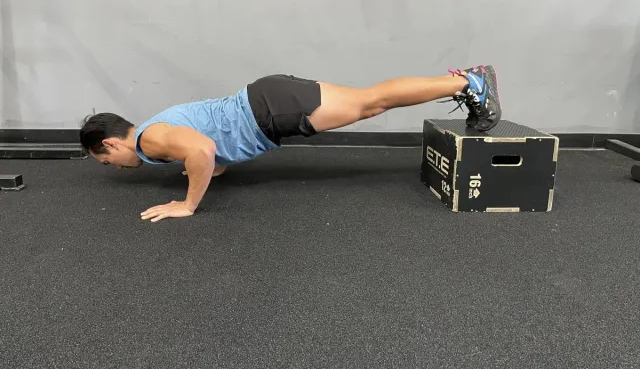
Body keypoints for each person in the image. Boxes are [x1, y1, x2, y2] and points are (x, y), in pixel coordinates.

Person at [79, 65, 501, 222]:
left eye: (106, 162)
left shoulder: (151, 140)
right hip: (269, 97)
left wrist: (188, 204)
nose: (113, 168)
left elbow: (203, 151)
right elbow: (214, 156)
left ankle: (467, 82)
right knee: (370, 100)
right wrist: (205, 168)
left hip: (270, 110)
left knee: (373, 102)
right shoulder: (157, 130)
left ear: (110, 144)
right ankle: (466, 79)